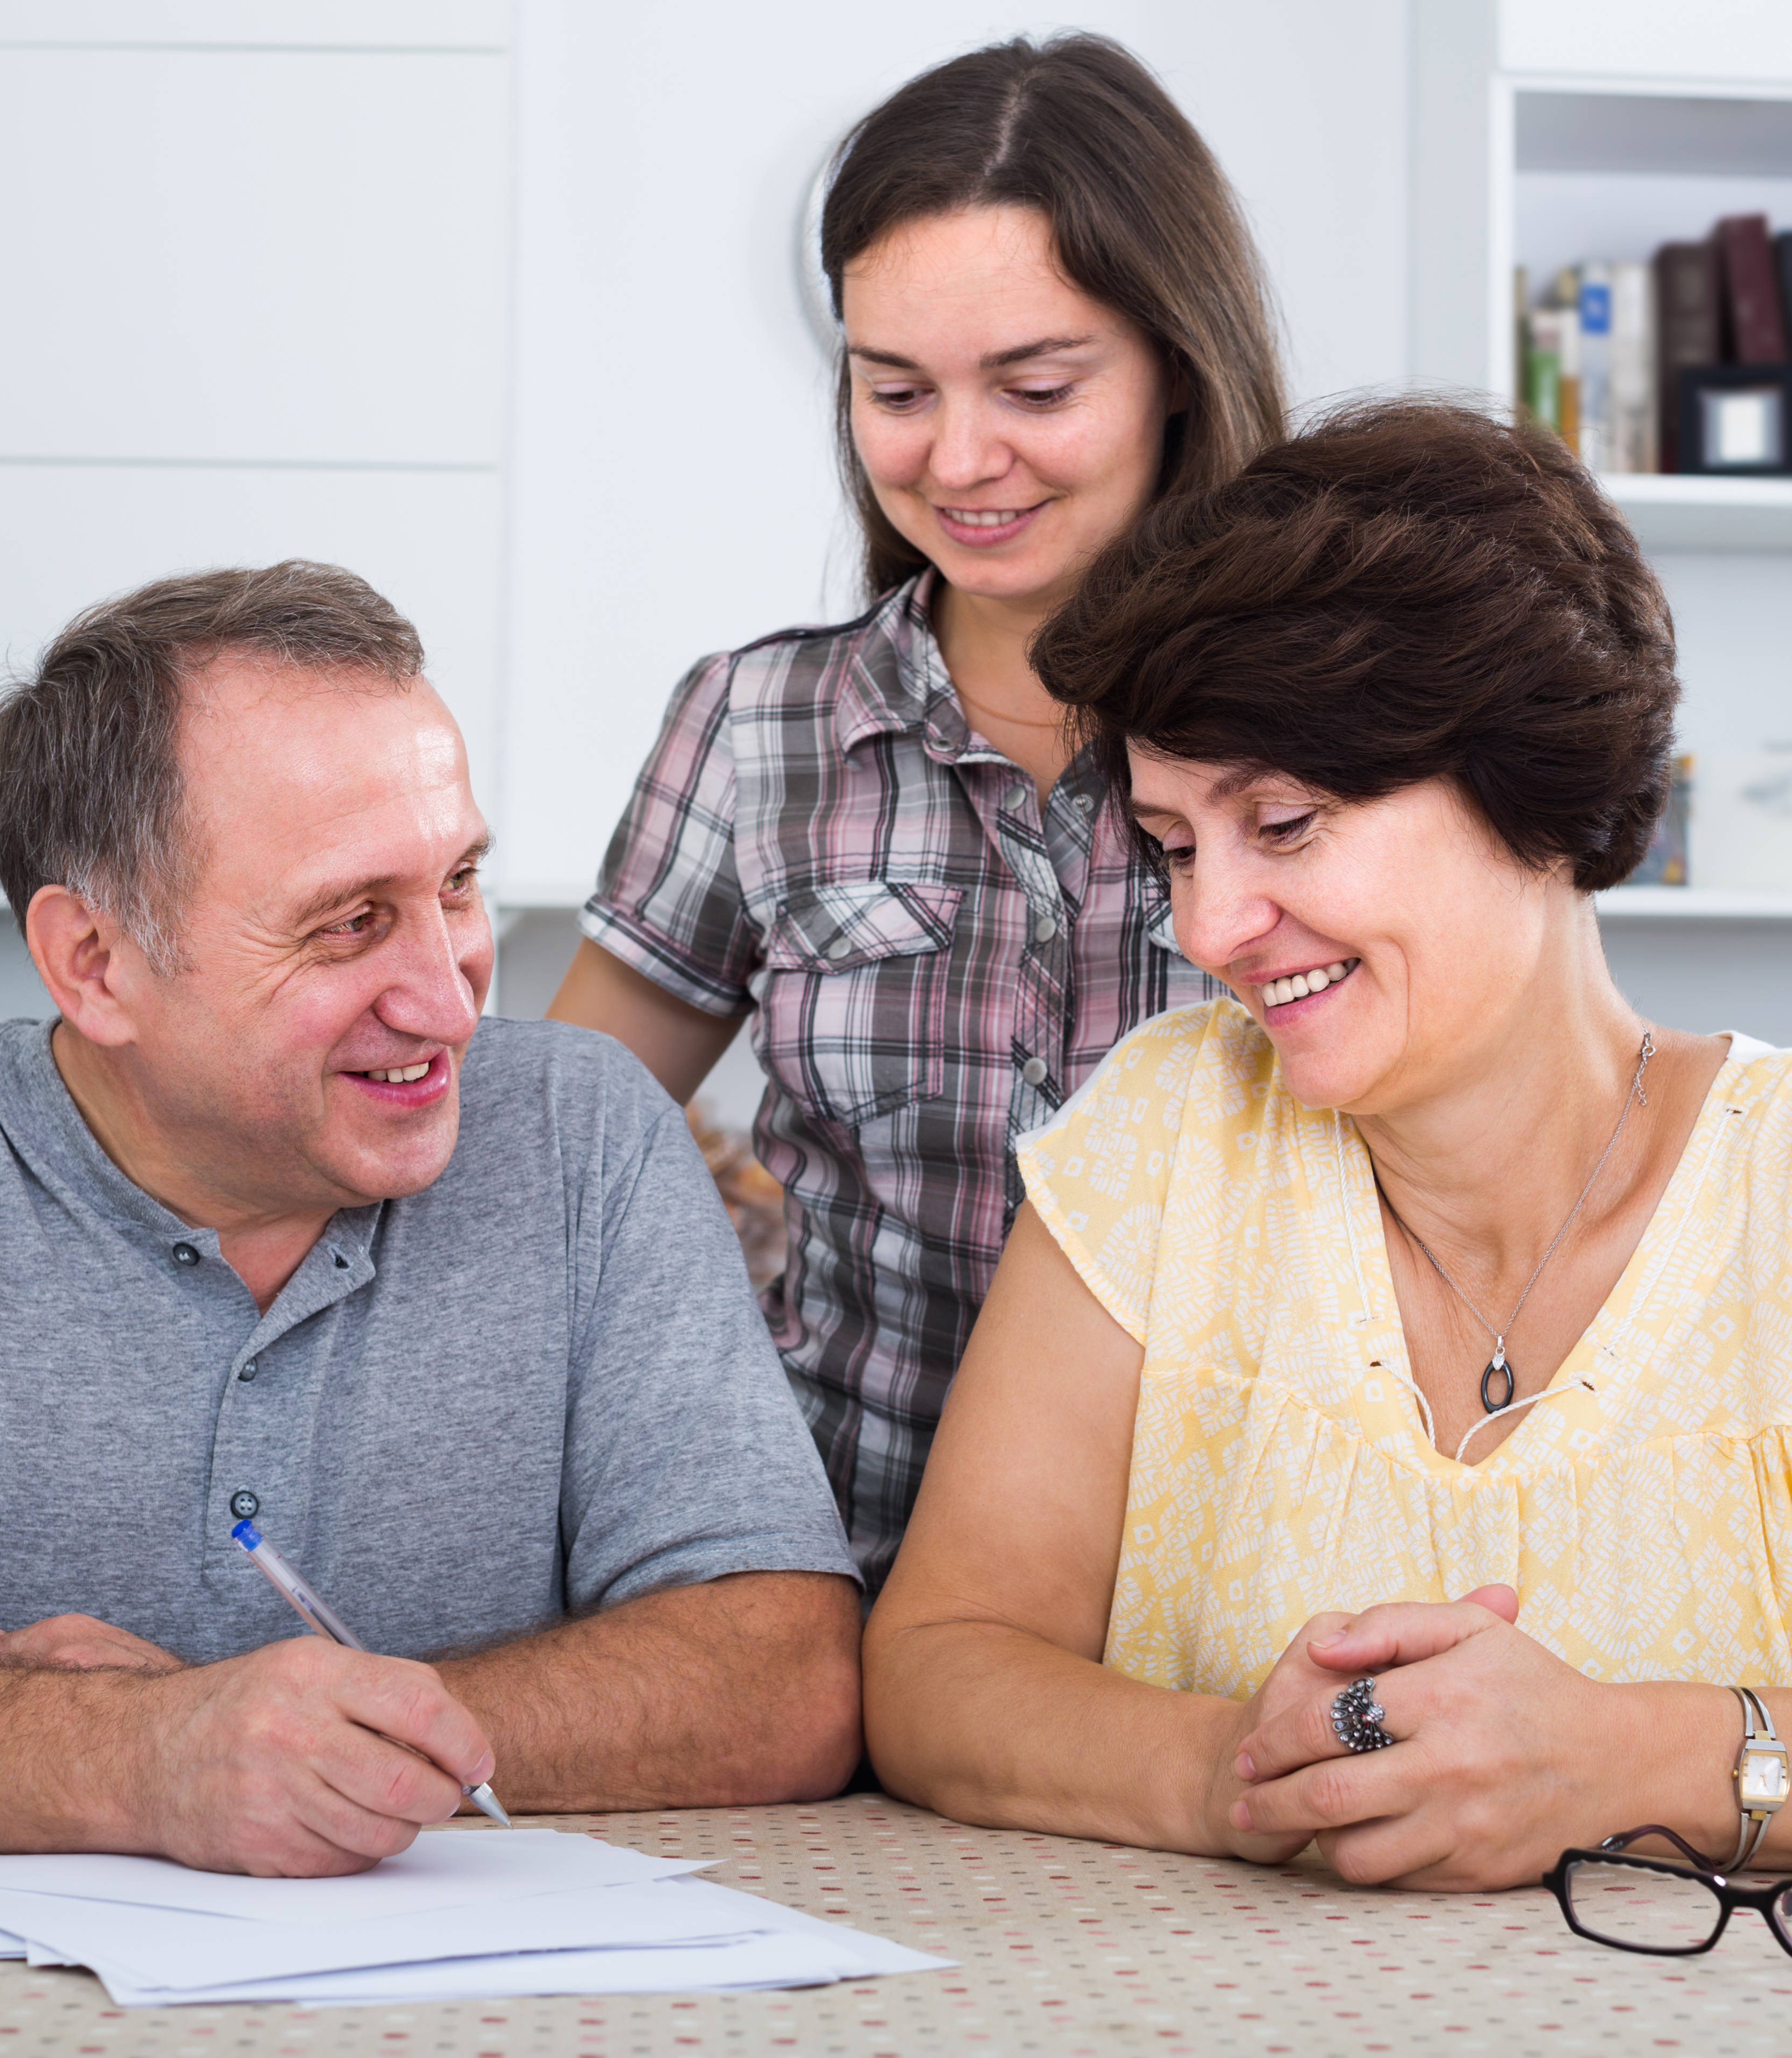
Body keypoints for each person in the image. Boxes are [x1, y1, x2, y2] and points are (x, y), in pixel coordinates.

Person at [862, 401, 1792, 1891]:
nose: (1210, 929)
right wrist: (1236, 1774)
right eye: (1181, 845)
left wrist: (1624, 1764)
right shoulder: (1164, 1135)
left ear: (1530, 786)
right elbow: (938, 1667)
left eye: (1289, 824)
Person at [0, 563, 862, 1876]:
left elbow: (784, 1678)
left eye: (457, 886)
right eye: (351, 923)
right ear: (97, 963)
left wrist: (262, 1738)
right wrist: (150, 1754)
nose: (455, 1004)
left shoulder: (585, 1134)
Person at [548, 34, 1287, 1585]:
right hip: (827, 1588)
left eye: (1036, 387)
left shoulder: (1335, 739)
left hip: (1236, 1608)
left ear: (1175, 365)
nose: (960, 458)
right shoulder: (759, 728)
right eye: (897, 391)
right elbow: (553, 1155)